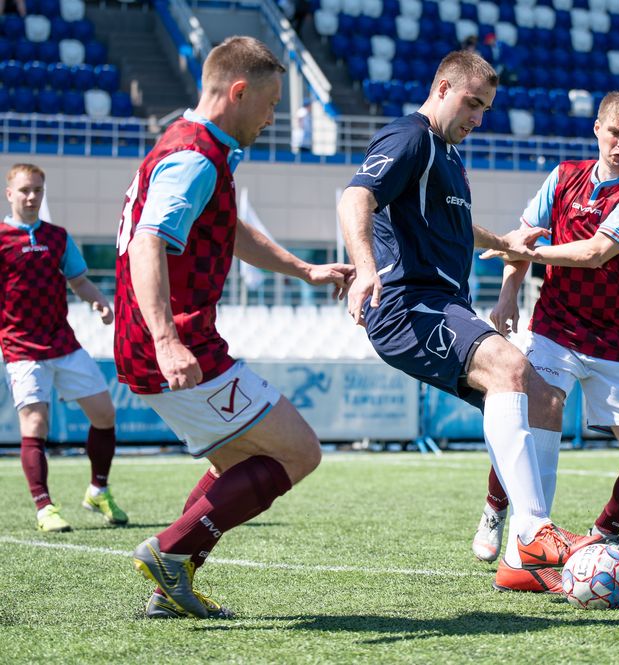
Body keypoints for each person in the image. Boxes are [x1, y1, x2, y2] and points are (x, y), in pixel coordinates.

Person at [337, 50, 599, 594]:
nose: (478, 117)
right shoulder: (410, 137)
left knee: (546, 397)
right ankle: (532, 532)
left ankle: (519, 561)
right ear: (442, 87)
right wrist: (365, 270)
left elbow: (454, 223)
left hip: (444, 305)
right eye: (472, 103)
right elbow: (355, 196)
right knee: (508, 366)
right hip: (407, 306)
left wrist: (504, 242)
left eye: (486, 108)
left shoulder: (449, 156)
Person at [114, 36, 355, 619]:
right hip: (175, 342)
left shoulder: (203, 150)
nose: (273, 118)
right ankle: (170, 553)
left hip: (162, 339)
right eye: (271, 104)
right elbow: (149, 241)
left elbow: (230, 232)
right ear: (238, 92)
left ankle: (170, 588)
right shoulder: (196, 158)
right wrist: (169, 340)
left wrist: (303, 270)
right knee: (299, 452)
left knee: (236, 466)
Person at [470, 91, 619, 591]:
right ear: (597, 129)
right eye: (613, 132)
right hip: (556, 330)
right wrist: (509, 294)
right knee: (538, 409)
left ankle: (604, 534)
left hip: (616, 341)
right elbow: (525, 238)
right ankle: (501, 510)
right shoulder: (562, 177)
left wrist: (528, 257)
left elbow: (597, 253)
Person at [1, 163, 127, 533]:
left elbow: (79, 280)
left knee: (105, 415)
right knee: (36, 425)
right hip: (21, 348)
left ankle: (97, 490)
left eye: (38, 190)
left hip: (63, 343)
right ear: (9, 194)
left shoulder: (57, 236)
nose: (31, 196)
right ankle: (45, 507)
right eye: (24, 190)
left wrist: (100, 301)